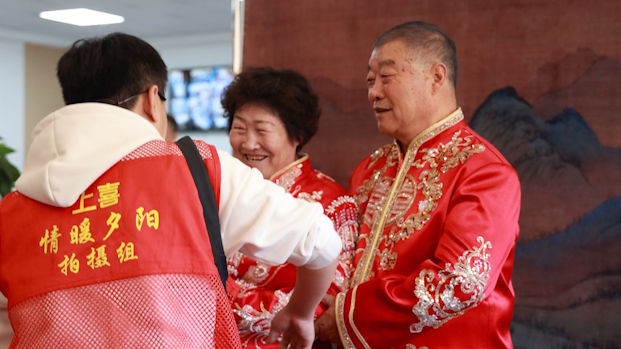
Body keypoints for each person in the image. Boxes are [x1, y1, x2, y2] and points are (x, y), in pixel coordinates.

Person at [0, 33, 342, 349]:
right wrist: (299, 311)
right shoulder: (198, 170)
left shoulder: (12, 209)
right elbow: (321, 241)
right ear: (152, 100)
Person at [314, 21, 521, 348]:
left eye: (386, 77)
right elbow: (342, 264)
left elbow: (459, 283)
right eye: (370, 81)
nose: (373, 92)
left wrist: (345, 316)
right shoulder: (369, 170)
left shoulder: (485, 172)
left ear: (436, 76)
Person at [222, 67, 359, 349]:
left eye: (262, 130)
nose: (248, 143)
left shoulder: (332, 202)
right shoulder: (223, 191)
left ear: (297, 135)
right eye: (239, 128)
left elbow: (325, 299)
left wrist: (222, 300)